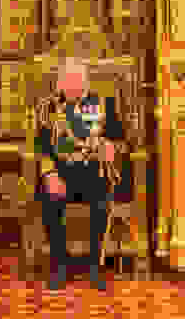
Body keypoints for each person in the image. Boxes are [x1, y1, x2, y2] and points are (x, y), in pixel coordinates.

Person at [35, 62, 127, 291]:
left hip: (93, 173)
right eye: (65, 83)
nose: (69, 88)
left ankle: (95, 267)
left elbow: (121, 141)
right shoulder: (49, 108)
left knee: (101, 202)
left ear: (85, 82)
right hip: (61, 173)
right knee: (49, 200)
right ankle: (60, 265)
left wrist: (111, 148)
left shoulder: (104, 105)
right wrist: (50, 174)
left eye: (75, 82)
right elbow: (42, 147)